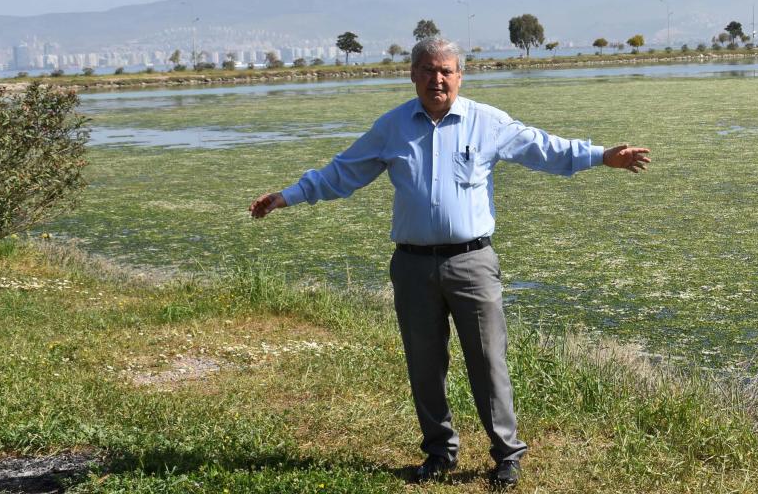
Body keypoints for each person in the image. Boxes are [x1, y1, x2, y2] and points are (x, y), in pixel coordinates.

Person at [248, 37, 650, 489]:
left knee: (487, 362)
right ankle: (439, 453)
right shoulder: (392, 127)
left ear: (460, 76)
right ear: (413, 74)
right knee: (425, 363)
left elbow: (543, 148)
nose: (437, 79)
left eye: (446, 71)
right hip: (413, 265)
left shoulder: (486, 122)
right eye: (428, 70)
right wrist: (289, 196)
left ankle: (506, 454)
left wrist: (600, 157)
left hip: (472, 263)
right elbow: (342, 173)